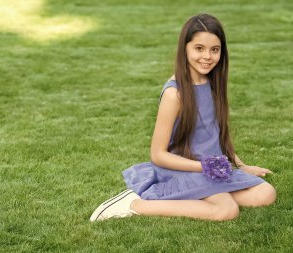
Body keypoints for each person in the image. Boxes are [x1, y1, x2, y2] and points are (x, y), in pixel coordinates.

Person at [90, 13, 276, 222]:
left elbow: (217, 135)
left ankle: (208, 194)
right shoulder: (174, 94)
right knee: (227, 210)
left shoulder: (214, 84)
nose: (207, 56)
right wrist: (203, 167)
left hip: (210, 170)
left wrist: (240, 166)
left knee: (265, 194)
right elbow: (158, 155)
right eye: (199, 48)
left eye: (214, 50)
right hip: (181, 169)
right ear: (185, 48)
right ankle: (135, 204)